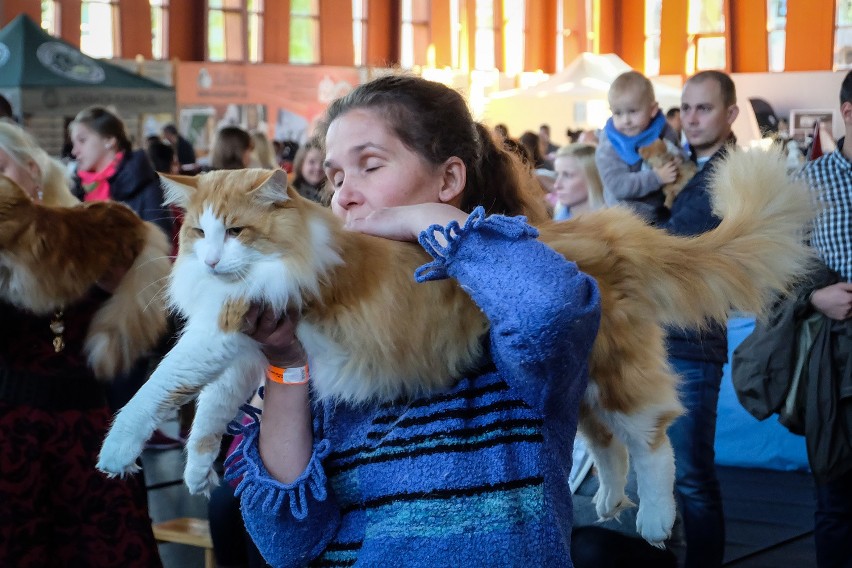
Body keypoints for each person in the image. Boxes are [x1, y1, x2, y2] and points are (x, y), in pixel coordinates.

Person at [224, 74, 602, 567]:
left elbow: (549, 310)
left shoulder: (499, 324)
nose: (344, 197)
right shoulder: (326, 340)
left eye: (370, 166)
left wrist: (427, 224)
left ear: (448, 180)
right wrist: (285, 361)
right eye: (336, 178)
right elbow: (285, 542)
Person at [0, 121, 163, 567]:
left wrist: (121, 290)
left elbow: (153, 333)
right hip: (10, 435)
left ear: (32, 170)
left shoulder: (100, 230)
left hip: (90, 432)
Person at [658, 70, 740, 568]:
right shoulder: (684, 168)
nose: (690, 118)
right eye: (685, 107)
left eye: (703, 108)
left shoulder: (732, 178)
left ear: (731, 114)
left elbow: (674, 245)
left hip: (693, 341)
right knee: (662, 472)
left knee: (690, 474)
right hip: (662, 335)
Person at [69, 106, 179, 449]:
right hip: (88, 294)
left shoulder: (142, 182)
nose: (75, 150)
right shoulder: (77, 185)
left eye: (82, 140)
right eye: (74, 142)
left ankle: (128, 429)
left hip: (132, 293)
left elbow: (158, 244)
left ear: (109, 141)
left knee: (126, 357)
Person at [795, 69, 852, 568]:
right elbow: (777, 273)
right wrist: (816, 298)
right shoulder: (810, 181)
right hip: (834, 359)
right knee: (835, 497)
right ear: (849, 113)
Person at [595, 71, 681, 224]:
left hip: (662, 213)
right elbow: (617, 185)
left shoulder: (664, 130)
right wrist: (656, 178)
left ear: (653, 109)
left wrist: (679, 161)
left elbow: (676, 156)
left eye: (633, 111)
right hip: (624, 219)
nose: (626, 120)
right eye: (618, 113)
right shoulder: (610, 143)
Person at [551, 143, 604, 220]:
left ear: (592, 178)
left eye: (567, 175)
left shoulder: (615, 224)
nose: (557, 185)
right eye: (557, 175)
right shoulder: (559, 218)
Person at [290, 137, 327, 203]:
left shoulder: (332, 194)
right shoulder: (291, 194)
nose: (318, 167)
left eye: (323, 162)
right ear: (301, 164)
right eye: (312, 162)